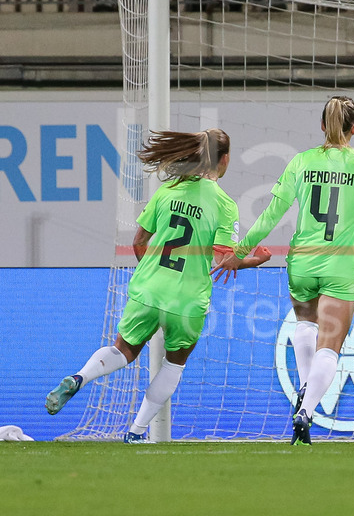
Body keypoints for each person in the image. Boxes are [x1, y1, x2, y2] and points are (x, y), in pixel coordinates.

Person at [212, 96, 354, 446]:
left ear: (321, 126)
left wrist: (240, 251)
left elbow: (271, 215)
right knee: (330, 346)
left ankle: (304, 388)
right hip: (339, 265)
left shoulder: (300, 162)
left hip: (301, 262)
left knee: (304, 326)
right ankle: (307, 410)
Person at [45, 129, 272, 442]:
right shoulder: (224, 204)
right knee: (174, 364)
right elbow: (224, 259)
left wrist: (152, 276)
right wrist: (253, 258)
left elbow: (139, 241)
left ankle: (80, 377)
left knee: (123, 349)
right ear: (225, 159)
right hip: (188, 299)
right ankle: (136, 432)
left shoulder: (167, 191)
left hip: (149, 289)